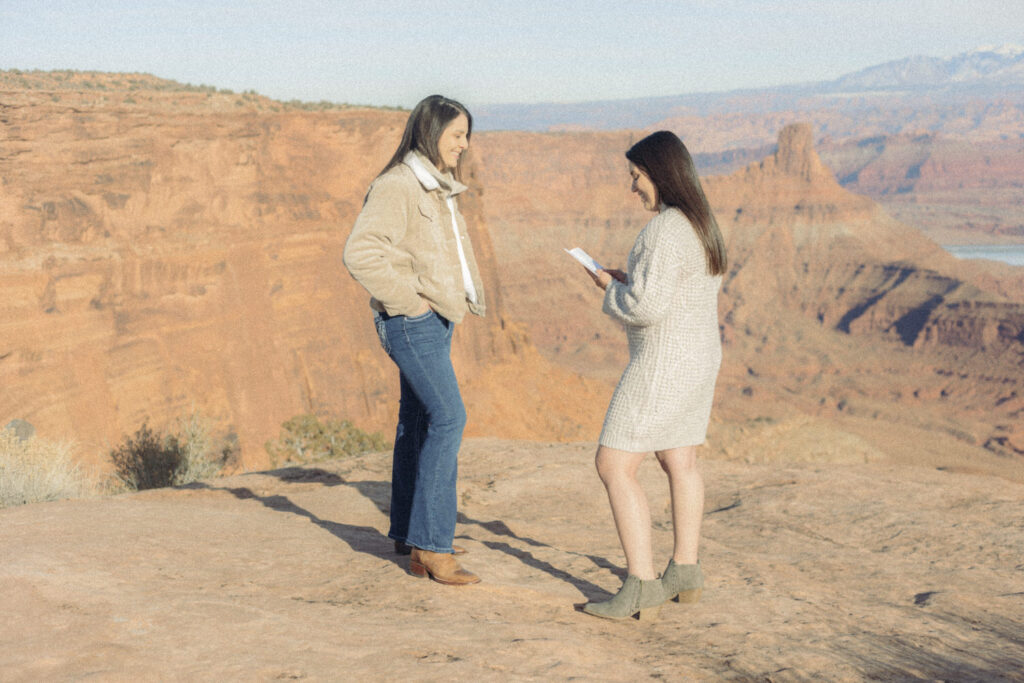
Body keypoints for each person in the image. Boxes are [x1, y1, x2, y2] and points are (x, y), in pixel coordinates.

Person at [581, 131, 727, 620]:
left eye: (637, 176)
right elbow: (670, 292)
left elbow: (644, 308)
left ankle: (641, 584)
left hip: (664, 363)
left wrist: (607, 285)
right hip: (700, 357)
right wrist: (633, 282)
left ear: (660, 174)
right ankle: (685, 570)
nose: (633, 187)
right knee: (679, 458)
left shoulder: (664, 229)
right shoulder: (700, 224)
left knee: (613, 463)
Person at [343, 95, 486, 586]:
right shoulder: (398, 185)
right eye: (456, 135)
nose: (464, 145)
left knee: (418, 421)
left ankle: (410, 532)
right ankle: (433, 545)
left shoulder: (435, 185)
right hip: (412, 321)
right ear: (430, 132)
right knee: (449, 418)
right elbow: (360, 253)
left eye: (466, 135)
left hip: (435, 319)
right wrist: (410, 302)